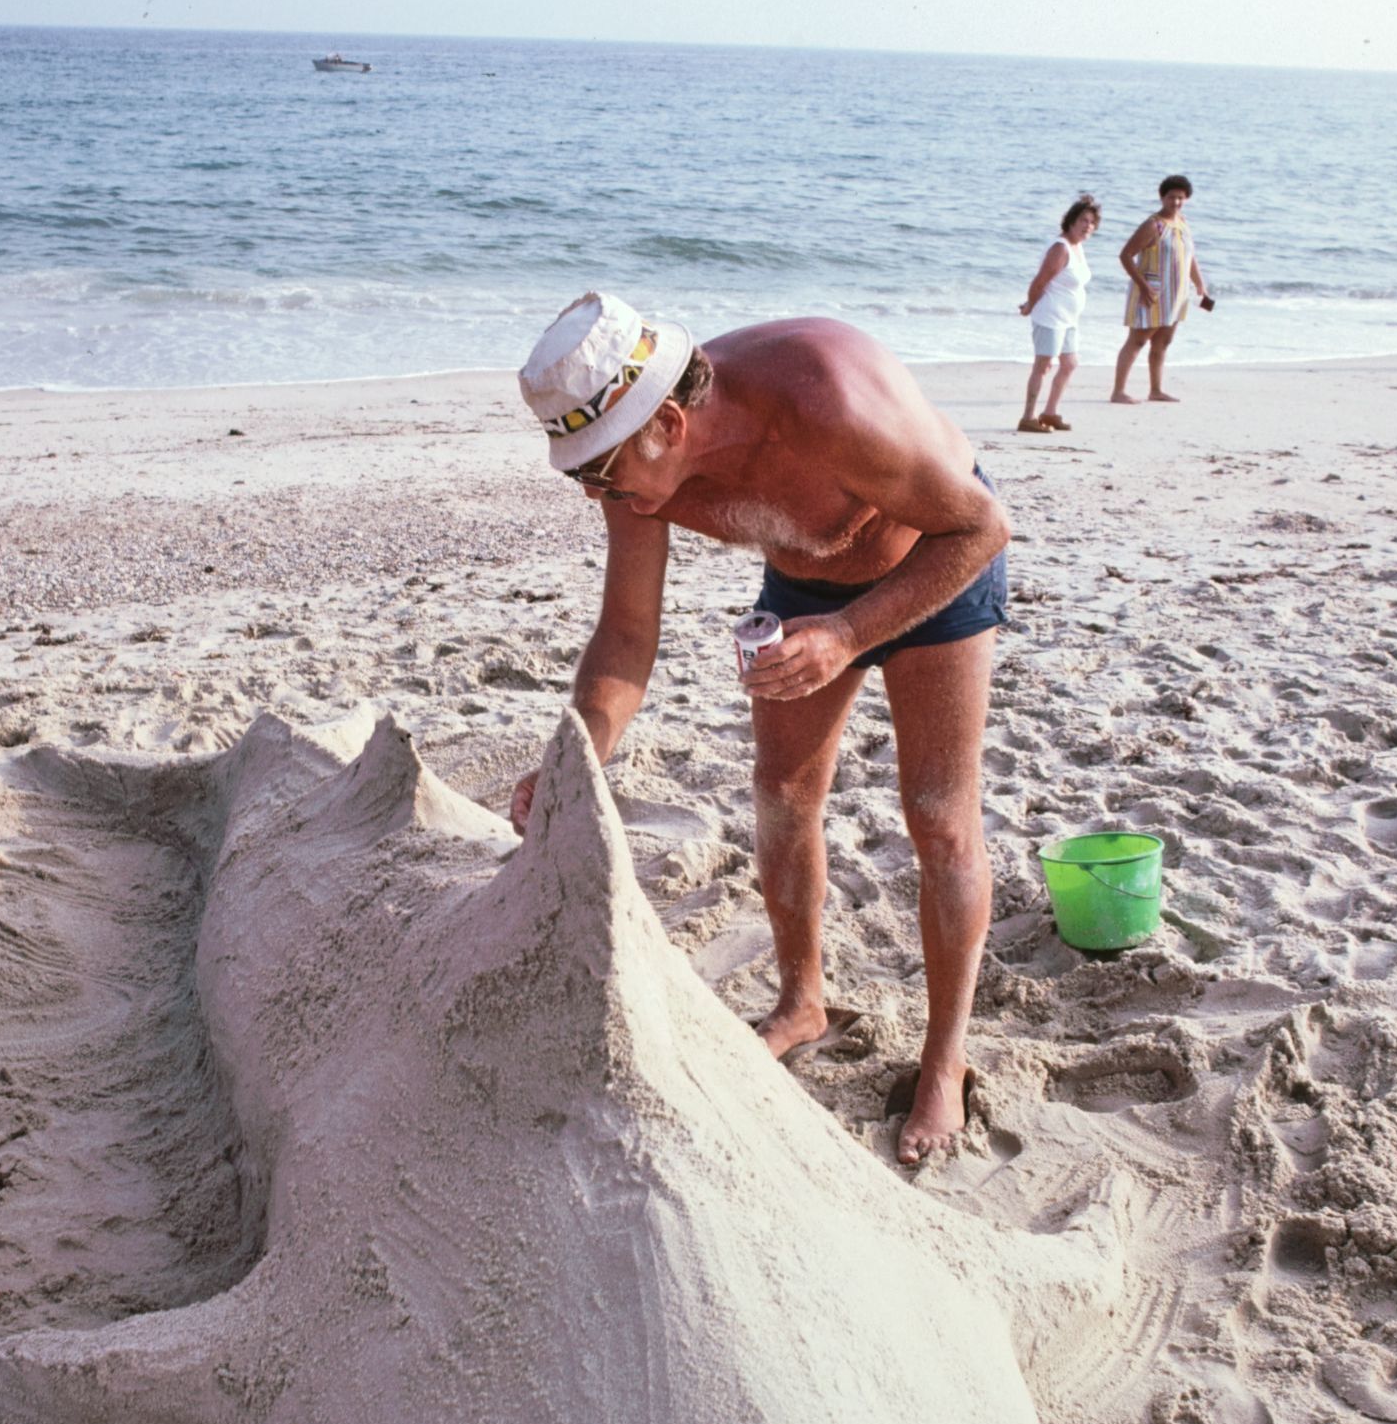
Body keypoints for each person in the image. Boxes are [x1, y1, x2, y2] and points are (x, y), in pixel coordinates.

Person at [509, 293, 1011, 1166]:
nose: (594, 491)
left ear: (668, 424)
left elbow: (982, 526)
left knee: (938, 815)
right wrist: (576, 756)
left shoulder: (828, 402)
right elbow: (625, 638)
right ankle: (801, 1002)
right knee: (782, 791)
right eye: (579, 473)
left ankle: (943, 1060)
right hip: (806, 578)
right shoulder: (633, 468)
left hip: (935, 560)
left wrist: (849, 635)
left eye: (601, 471)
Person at [1110, 174, 1214, 404]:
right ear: (1162, 197)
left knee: (1163, 342)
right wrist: (1143, 286)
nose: (1176, 202)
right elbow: (1126, 255)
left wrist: (1199, 283)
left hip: (1176, 294)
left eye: (1180, 198)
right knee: (1137, 341)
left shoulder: (1182, 222)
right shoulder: (1153, 225)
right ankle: (1118, 391)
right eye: (1171, 197)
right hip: (1152, 292)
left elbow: (1189, 257)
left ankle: (1156, 390)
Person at [1018, 195, 1100, 432]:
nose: (1088, 226)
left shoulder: (1077, 247)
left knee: (1070, 363)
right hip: (1050, 316)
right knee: (1043, 366)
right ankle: (1028, 417)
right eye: (1083, 220)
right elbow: (1039, 282)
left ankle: (1050, 413)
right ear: (1071, 221)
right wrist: (1029, 306)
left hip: (1069, 318)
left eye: (1092, 222)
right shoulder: (1060, 248)